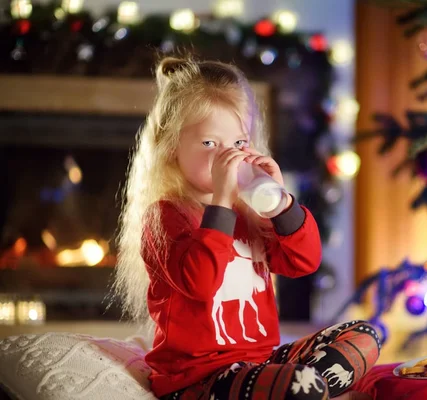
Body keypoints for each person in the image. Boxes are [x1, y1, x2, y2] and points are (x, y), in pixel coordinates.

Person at [114, 55, 380, 400]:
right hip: (198, 379)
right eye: (210, 144)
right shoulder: (165, 217)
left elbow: (303, 262)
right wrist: (221, 201)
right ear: (170, 147)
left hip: (260, 364)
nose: (228, 157)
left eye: (238, 144)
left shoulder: (250, 212)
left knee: (363, 337)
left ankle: (303, 391)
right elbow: (201, 282)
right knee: (300, 385)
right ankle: (304, 391)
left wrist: (283, 204)